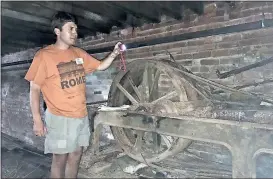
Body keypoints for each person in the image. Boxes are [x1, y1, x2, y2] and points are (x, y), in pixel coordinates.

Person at [24, 11, 123, 178]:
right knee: (60, 159)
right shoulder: (44, 56)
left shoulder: (78, 53)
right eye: (70, 29)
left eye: (76, 29)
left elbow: (100, 66)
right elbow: (34, 89)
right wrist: (37, 120)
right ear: (57, 31)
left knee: (76, 156)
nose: (75, 33)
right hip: (59, 118)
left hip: (80, 116)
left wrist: (114, 53)